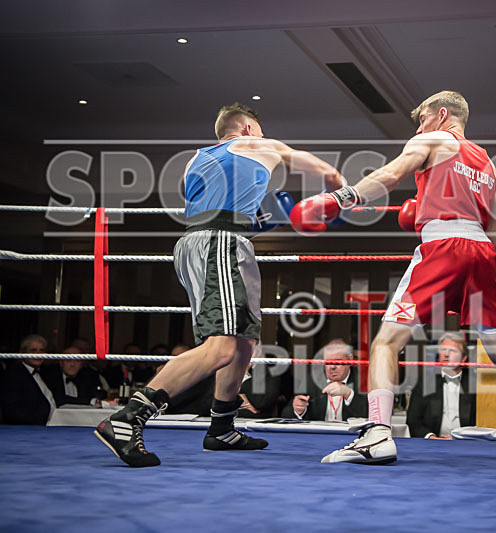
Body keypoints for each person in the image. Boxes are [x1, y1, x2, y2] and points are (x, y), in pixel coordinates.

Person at [291, 90, 496, 465]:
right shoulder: (486, 162)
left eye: (421, 119)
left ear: (441, 115)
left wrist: (339, 199)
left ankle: (377, 435)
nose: (417, 128)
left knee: (386, 343)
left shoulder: (434, 139)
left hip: (442, 248)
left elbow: (390, 175)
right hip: (482, 254)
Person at [94, 102, 346, 467]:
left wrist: (258, 220)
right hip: (220, 244)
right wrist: (340, 196)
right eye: (261, 132)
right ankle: (127, 417)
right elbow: (325, 171)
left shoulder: (194, 160)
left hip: (207, 242)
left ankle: (222, 427)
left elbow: (208, 207)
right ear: (247, 129)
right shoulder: (256, 144)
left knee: (243, 342)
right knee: (222, 346)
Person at [406, 332, 476, 439]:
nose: (446, 354)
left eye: (452, 350)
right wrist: (431, 437)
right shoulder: (425, 383)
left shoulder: (475, 384)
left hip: (466, 443)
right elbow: (413, 421)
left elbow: (483, 423)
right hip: (432, 444)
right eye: (443, 350)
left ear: (463, 358)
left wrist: (461, 438)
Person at [281, 339, 368, 421]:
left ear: (350, 360)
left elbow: (369, 414)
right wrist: (298, 410)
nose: (332, 367)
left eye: (338, 361)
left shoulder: (363, 380)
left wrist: (349, 394)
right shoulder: (312, 380)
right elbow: (286, 414)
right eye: (328, 362)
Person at [0, 334, 57, 425]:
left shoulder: (45, 372)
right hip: (28, 429)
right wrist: (40, 423)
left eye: (41, 350)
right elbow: (11, 411)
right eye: (33, 350)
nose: (38, 354)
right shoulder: (14, 375)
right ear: (23, 353)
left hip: (51, 426)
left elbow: (56, 397)